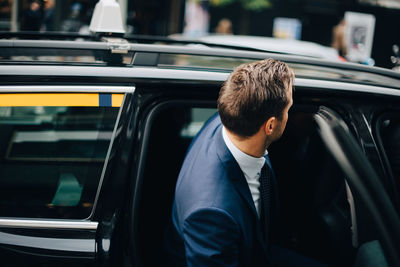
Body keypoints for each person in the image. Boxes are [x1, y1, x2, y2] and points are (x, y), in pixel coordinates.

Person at [165, 58, 326, 266]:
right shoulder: (213, 213)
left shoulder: (229, 119)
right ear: (270, 126)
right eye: (288, 110)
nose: (291, 115)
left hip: (257, 248)